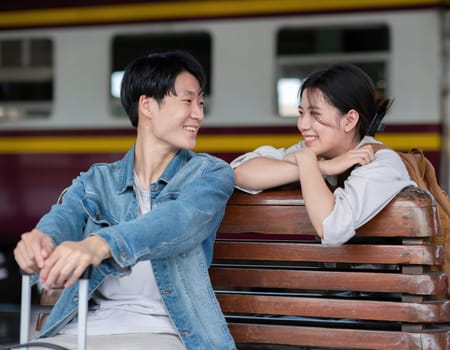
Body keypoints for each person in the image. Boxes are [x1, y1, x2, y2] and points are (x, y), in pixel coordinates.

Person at [13, 51, 236, 349]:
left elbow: (180, 220)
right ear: (147, 106)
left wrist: (100, 245)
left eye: (200, 103)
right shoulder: (97, 180)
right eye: (187, 101)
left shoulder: (210, 174)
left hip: (167, 332)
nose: (198, 114)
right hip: (81, 329)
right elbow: (64, 216)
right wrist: (40, 239)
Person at [231, 63, 415, 245]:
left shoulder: (380, 163)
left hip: (373, 275)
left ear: (350, 120)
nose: (302, 125)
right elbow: (240, 173)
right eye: (301, 113)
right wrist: (321, 167)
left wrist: (307, 162)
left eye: (315, 115)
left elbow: (330, 228)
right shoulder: (313, 153)